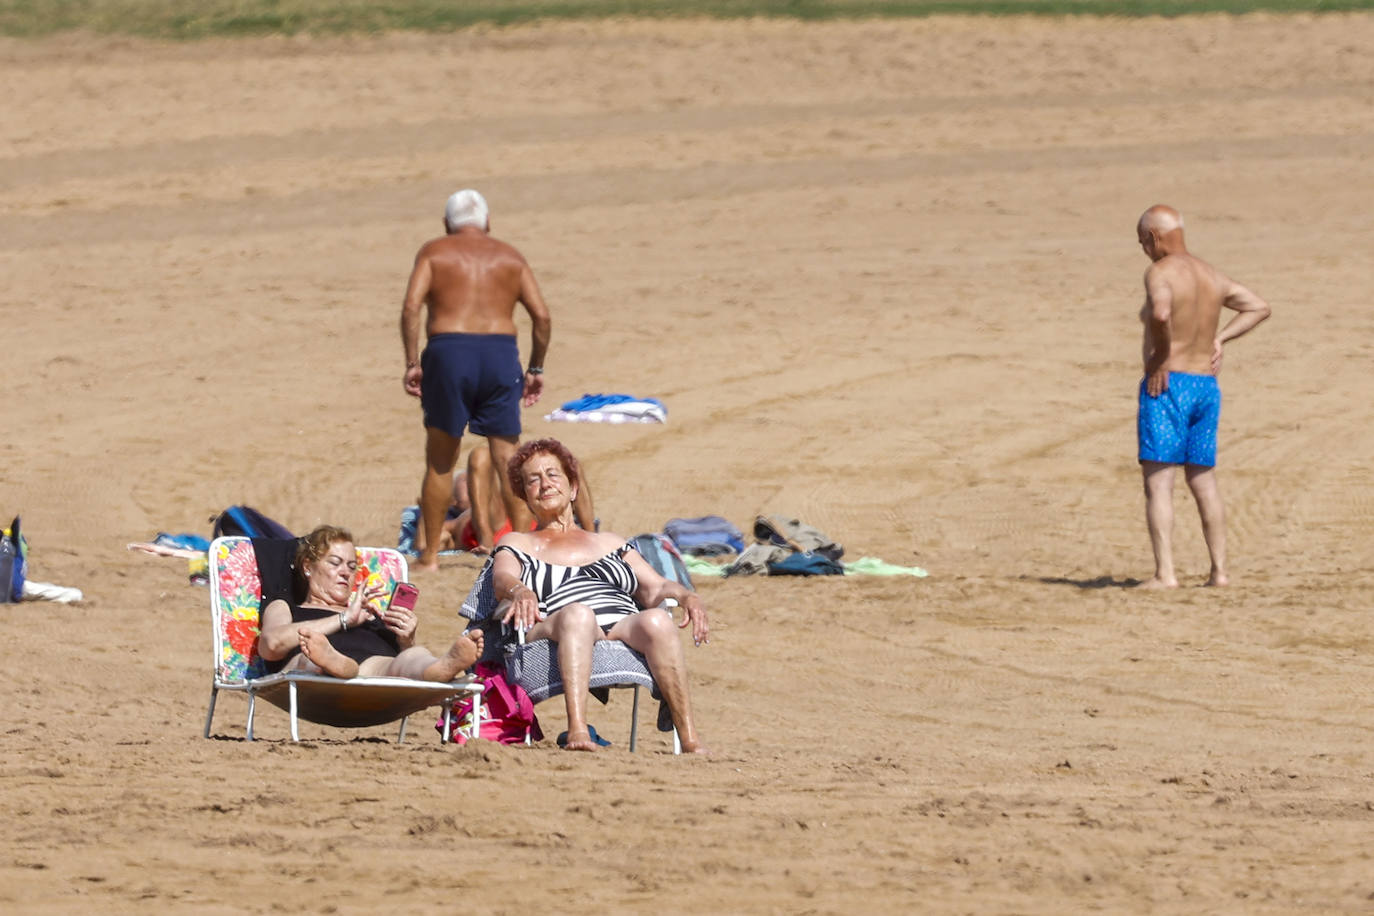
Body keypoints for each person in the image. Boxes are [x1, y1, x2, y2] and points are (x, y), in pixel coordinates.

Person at [489, 438, 709, 753]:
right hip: (551, 626)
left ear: (573, 487)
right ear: (524, 496)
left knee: (659, 620)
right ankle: (578, 729)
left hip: (618, 627)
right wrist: (519, 589)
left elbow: (657, 587)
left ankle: (689, 737)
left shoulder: (609, 542)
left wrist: (688, 597)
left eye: (553, 475)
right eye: (533, 480)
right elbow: (502, 577)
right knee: (579, 614)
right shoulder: (519, 542)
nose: (545, 484)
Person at [400, 189, 552, 572]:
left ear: (446, 225)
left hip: (449, 352)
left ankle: (430, 557)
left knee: (440, 461)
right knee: (508, 460)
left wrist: (412, 362)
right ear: (488, 223)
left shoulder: (434, 252)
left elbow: (411, 306)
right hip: (501, 355)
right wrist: (535, 369)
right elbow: (543, 317)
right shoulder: (510, 256)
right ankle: (523, 552)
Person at [1135, 205, 1271, 588]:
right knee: (1204, 481)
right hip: (1205, 387)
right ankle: (1220, 572)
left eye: (1143, 241)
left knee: (1159, 482)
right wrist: (1219, 338)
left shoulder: (1160, 272)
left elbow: (1161, 315)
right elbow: (1259, 307)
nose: (1144, 249)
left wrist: (1159, 360)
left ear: (1156, 238)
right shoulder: (1211, 275)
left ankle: (1165, 574)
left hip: (1169, 385)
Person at [258, 525, 483, 680]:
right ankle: (331, 663)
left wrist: (406, 639)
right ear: (308, 567)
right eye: (335, 563)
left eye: (351, 566)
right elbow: (271, 645)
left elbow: (396, 655)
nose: (345, 572)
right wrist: (344, 619)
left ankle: (441, 667)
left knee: (410, 658)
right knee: (309, 659)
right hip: (309, 664)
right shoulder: (285, 605)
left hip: (369, 667)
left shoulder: (368, 611)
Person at [413, 444, 598, 555]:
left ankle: (591, 534)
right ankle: (487, 539)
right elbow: (423, 545)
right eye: (464, 481)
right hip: (490, 529)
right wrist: (428, 510)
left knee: (568, 463)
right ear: (453, 501)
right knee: (480, 455)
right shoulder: (458, 522)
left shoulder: (509, 500)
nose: (469, 482)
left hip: (523, 525)